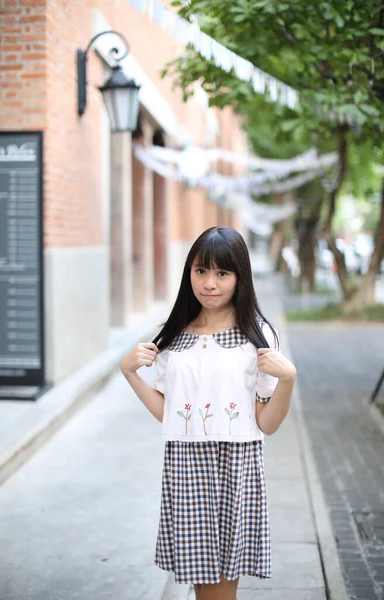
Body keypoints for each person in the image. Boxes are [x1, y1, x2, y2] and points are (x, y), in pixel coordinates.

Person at [120, 226, 297, 600]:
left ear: (240, 277)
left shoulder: (257, 337)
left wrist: (288, 380)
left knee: (220, 587)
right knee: (205, 587)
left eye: (222, 273)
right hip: (186, 467)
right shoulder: (174, 338)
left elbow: (266, 423)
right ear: (189, 274)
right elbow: (170, 414)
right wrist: (130, 373)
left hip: (236, 466)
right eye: (201, 271)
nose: (210, 283)